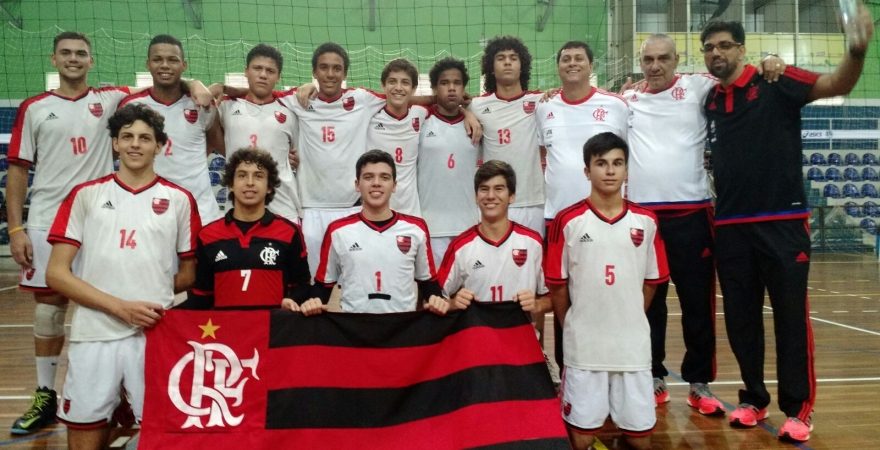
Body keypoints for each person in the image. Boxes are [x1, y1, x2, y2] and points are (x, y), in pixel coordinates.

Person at [701, 9, 873, 442]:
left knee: (791, 320)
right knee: (740, 322)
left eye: (724, 45)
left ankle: (798, 410)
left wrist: (858, 49)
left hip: (782, 224)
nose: (716, 53)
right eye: (708, 48)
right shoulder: (709, 100)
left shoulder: (775, 82)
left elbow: (840, 84)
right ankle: (753, 399)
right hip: (731, 226)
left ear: (741, 49)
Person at [625, 34, 786, 412]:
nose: (655, 65)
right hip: (643, 219)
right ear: (641, 62)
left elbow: (740, 73)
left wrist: (773, 59)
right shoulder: (626, 99)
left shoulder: (700, 87)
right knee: (649, 304)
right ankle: (652, 375)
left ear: (677, 59)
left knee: (698, 303)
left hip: (692, 214)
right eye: (648, 59)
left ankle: (699, 383)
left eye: (663, 58)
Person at [45, 103, 200, 450]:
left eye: (145, 138)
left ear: (159, 146)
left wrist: (149, 293)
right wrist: (119, 305)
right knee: (85, 430)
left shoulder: (179, 200)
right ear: (114, 143)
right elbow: (56, 273)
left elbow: (188, 274)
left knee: (160, 434)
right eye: (126, 136)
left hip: (155, 334)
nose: (135, 144)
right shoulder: (85, 195)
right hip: (94, 333)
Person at [6, 31, 132, 435]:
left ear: (91, 61)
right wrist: (16, 227)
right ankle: (45, 395)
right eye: (66, 53)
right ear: (54, 59)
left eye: (81, 54)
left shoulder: (109, 99)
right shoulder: (35, 108)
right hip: (45, 219)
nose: (74, 59)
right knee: (49, 308)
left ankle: (117, 396)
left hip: (99, 219)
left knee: (109, 305)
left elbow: (166, 82)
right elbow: (19, 172)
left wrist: (204, 85)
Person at [545, 132, 669, 450]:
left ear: (627, 170)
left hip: (633, 346)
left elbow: (653, 281)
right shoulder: (567, 220)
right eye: (601, 164)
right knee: (582, 437)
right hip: (585, 347)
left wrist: (628, 314)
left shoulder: (647, 221)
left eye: (617, 163)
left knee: (640, 438)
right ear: (587, 171)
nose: (610, 171)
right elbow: (558, 287)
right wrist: (572, 324)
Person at [306, 149, 448, 315]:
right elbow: (322, 288)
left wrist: (438, 300)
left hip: (402, 328)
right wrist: (311, 303)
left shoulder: (416, 229)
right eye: (368, 177)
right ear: (357, 185)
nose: (376, 183)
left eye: (384, 177)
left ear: (394, 185)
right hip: (354, 328)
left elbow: (429, 284)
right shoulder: (337, 231)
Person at [180, 147, 319, 311]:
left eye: (258, 176)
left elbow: (302, 287)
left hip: (273, 332)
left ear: (269, 186)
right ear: (230, 185)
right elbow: (201, 298)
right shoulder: (207, 236)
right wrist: (163, 317)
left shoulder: (289, 232)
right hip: (225, 333)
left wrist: (291, 300)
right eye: (242, 175)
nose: (250, 182)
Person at [119, 34, 222, 224]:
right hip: (148, 213)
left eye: (173, 60)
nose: (165, 65)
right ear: (147, 64)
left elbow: (215, 141)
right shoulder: (131, 105)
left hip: (201, 212)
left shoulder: (202, 103)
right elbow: (115, 151)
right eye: (158, 59)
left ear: (184, 65)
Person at [537, 40, 629, 224]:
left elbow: (630, 155)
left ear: (591, 66)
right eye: (566, 59)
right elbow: (543, 155)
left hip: (606, 214)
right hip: (557, 214)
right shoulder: (544, 106)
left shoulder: (617, 105)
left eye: (579, 58)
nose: (572, 63)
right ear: (558, 67)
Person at [439, 160, 549, 311]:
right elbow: (434, 300)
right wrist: (453, 304)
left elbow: (551, 297)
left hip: (520, 332)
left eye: (499, 189)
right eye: (484, 189)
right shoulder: (460, 246)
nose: (490, 196)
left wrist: (537, 305)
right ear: (476, 197)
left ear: (512, 196)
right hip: (478, 333)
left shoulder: (533, 242)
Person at [212, 43, 302, 222]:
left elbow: (298, 154)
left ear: (278, 76)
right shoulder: (226, 106)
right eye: (257, 68)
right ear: (246, 71)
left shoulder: (292, 111)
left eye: (270, 71)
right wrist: (220, 87)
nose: (263, 75)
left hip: (282, 207)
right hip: (239, 207)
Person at [470, 36, 545, 235]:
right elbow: (447, 107)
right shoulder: (476, 106)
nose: (507, 62)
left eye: (513, 57)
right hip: (493, 202)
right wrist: (465, 113)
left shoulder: (540, 101)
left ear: (522, 66)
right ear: (491, 68)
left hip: (532, 201)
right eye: (501, 58)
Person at [417, 57, 480, 266]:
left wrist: (467, 111)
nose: (451, 88)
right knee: (431, 294)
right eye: (444, 83)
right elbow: (396, 100)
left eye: (457, 83)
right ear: (435, 88)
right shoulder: (421, 119)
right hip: (432, 226)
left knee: (467, 295)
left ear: (464, 87)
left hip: (469, 224)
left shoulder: (478, 121)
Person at [367, 58, 428, 216]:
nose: (398, 88)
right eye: (392, 81)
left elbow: (448, 108)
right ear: (383, 85)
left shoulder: (420, 113)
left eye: (405, 83)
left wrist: (466, 113)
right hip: (376, 210)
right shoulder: (369, 115)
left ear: (414, 88)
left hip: (410, 212)